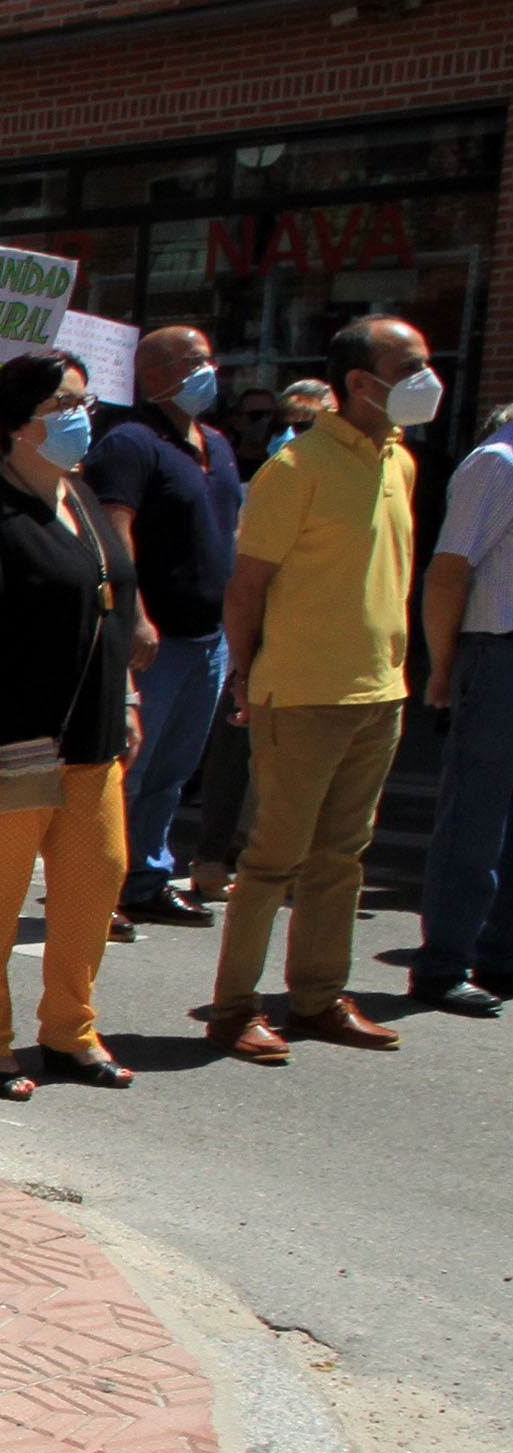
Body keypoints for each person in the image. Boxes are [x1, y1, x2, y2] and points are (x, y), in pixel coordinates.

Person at [206, 317, 431, 1062]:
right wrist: (244, 673)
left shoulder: (398, 461)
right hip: (298, 693)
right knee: (271, 859)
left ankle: (315, 997)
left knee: (342, 856)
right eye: (410, 366)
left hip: (378, 692)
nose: (427, 378)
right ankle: (233, 1009)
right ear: (360, 383)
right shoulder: (295, 467)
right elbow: (247, 586)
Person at [0, 352, 141, 1099]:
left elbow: (107, 608)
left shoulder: (80, 500)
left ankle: (69, 1033)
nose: (83, 416)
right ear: (20, 423)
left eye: (84, 401)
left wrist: (126, 700)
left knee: (92, 890)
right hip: (11, 741)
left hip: (91, 740)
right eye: (66, 403)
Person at [85, 326, 244, 936]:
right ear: (155, 375)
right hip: (158, 640)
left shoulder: (218, 446)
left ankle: (148, 879)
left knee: (174, 769)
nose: (211, 371)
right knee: (132, 768)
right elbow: (114, 533)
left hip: (209, 638)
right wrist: (135, 616)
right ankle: (100, 887)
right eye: (196, 362)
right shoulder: (129, 444)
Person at [414, 406, 513, 1017]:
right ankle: (443, 962)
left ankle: (499, 952)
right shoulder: (497, 463)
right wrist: (444, 667)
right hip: (495, 652)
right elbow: (448, 573)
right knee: (474, 814)